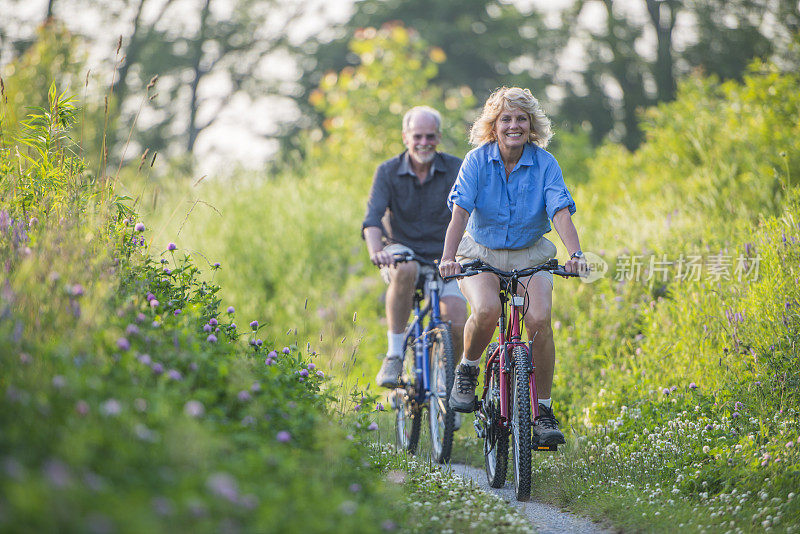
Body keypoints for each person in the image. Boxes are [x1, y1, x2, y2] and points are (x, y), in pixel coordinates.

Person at [438, 87, 587, 446]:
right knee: (487, 310)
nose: (514, 126)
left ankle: (543, 411)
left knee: (539, 319)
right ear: (494, 125)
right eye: (506, 119)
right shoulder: (476, 161)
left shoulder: (545, 163)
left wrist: (576, 254)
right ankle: (468, 369)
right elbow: (459, 214)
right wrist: (447, 258)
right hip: (480, 253)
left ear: (532, 125)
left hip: (530, 253)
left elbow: (560, 211)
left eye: (522, 119)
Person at [362, 106, 469, 390]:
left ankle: (445, 384)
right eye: (418, 136)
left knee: (458, 322)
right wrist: (376, 251)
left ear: (439, 137)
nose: (424, 143)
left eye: (430, 136)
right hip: (402, 251)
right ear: (405, 137)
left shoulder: (457, 168)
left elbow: (475, 212)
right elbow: (372, 220)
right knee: (405, 266)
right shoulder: (387, 171)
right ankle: (395, 353)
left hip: (447, 256)